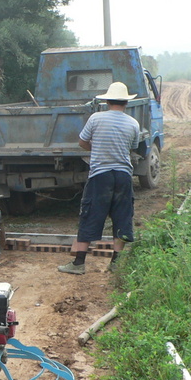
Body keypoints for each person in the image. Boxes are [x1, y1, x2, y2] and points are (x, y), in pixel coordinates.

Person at [58, 81, 141, 275]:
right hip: (123, 176)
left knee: (90, 215)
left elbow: (82, 142)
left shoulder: (96, 118)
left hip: (100, 175)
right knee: (122, 216)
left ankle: (79, 263)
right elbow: (132, 147)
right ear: (125, 103)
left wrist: (96, 149)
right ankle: (115, 264)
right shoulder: (133, 123)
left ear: (107, 101)